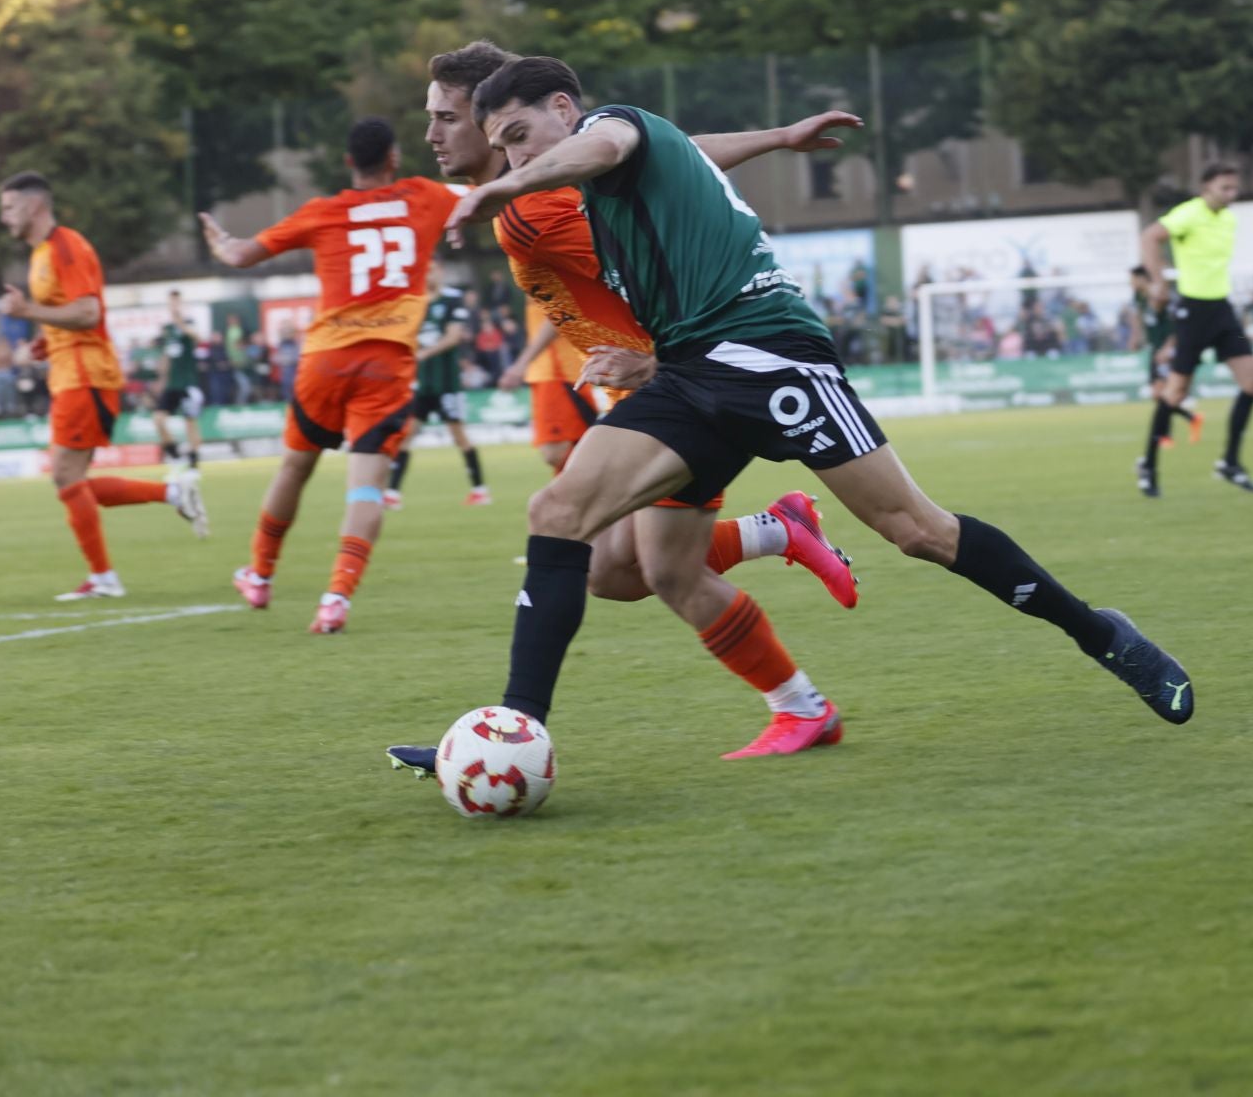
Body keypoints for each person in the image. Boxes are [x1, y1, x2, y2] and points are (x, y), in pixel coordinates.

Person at [394, 53, 1194, 773]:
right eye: (504, 148)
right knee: (564, 518)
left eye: (521, 137)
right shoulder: (602, 172)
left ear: (566, 108)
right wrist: (779, 138)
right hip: (686, 372)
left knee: (918, 532)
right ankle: (515, 731)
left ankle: (1103, 636)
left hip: (770, 354)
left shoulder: (607, 131)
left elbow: (604, 146)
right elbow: (681, 152)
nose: (518, 158)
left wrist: (502, 185)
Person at [394, 41, 862, 761]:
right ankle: (778, 540)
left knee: (645, 564)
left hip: (682, 391)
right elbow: (676, 156)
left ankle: (515, 732)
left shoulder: (536, 213)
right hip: (659, 390)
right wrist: (777, 136)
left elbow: (662, 241)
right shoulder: (533, 201)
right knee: (615, 571)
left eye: (446, 117)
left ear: (494, 124)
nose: (431, 134)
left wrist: (663, 362)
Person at [203, 119, 453, 634]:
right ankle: (336, 597)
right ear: (393, 158)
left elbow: (240, 255)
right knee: (366, 489)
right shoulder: (425, 197)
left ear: (348, 162)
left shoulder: (324, 212)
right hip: (386, 363)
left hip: (326, 362)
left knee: (295, 468)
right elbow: (489, 196)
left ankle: (259, 575)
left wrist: (221, 240)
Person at [0, 172, 206, 598]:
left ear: (35, 206)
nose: (4, 217)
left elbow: (89, 313)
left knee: (65, 476)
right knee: (73, 481)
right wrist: (46, 341)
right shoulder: (41, 254)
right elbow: (69, 315)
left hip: (86, 377)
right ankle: (172, 492)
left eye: (9, 207)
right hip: (71, 375)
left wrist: (29, 312)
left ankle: (106, 576)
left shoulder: (66, 246)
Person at [1137, 163, 1253, 496]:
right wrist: (1158, 281)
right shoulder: (1189, 213)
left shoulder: (1229, 219)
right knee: (1175, 393)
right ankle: (1148, 464)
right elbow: (1149, 237)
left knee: (1252, 384)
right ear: (1206, 187)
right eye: (1225, 188)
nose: (1231, 194)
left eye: (1234, 188)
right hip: (1194, 311)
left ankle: (1230, 462)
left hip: (1222, 309)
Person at [386, 257, 490, 508]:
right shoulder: (415, 302)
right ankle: (392, 494)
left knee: (459, 437)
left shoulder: (452, 299)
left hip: (447, 383)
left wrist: (424, 354)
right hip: (421, 384)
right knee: (405, 437)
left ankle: (479, 490)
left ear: (441, 271)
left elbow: (453, 337)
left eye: (431, 270)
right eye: (424, 271)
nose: (428, 275)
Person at [1129, 264, 1197, 453]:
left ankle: (1166, 435)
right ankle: (1190, 419)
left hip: (1165, 352)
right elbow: (1143, 322)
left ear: (1142, 278)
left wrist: (1168, 348)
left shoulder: (1159, 296)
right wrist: (1136, 338)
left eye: (1132, 279)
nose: (1131, 283)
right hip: (1155, 351)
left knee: (1163, 394)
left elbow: (1176, 324)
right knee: (1158, 395)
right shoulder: (1139, 298)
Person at [150, 290, 204, 472]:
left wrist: (179, 322)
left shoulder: (189, 324)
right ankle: (174, 452)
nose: (174, 306)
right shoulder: (167, 330)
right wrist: (161, 377)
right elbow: (166, 355)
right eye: (171, 302)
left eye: (177, 302)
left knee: (190, 422)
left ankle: (194, 460)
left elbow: (198, 338)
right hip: (172, 384)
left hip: (188, 383)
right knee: (158, 419)